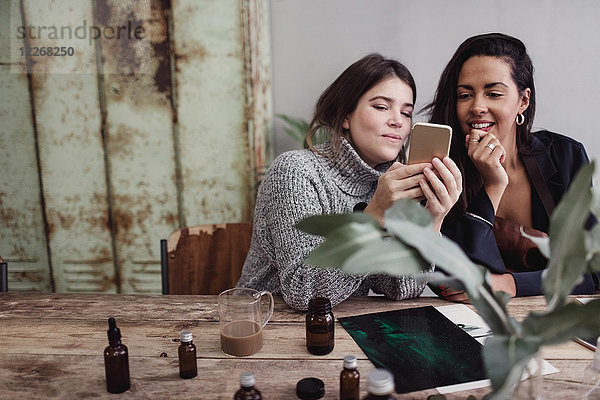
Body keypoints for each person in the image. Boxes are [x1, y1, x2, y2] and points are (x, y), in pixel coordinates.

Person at [237, 53, 462, 310]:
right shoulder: (295, 172)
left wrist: (431, 222)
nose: (398, 121)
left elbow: (401, 289)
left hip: (344, 328)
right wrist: (374, 217)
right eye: (381, 107)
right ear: (346, 116)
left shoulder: (387, 183)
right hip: (265, 327)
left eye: (407, 112)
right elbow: (305, 292)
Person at [424, 33, 600, 301]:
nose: (477, 107)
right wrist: (493, 186)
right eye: (464, 95)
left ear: (523, 101)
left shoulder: (565, 156)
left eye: (493, 93)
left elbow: (590, 270)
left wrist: (511, 284)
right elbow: (454, 283)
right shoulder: (441, 169)